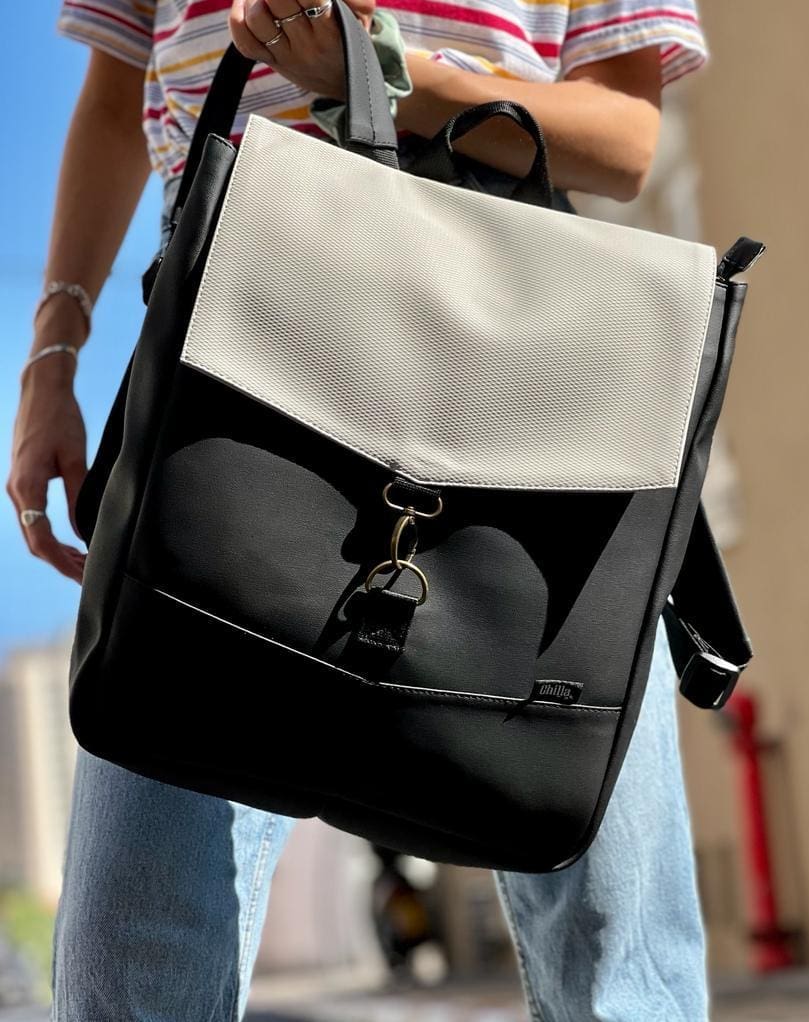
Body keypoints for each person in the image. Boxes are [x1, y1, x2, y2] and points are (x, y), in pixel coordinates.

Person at [7, 0, 711, 1018]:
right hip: (234, 357)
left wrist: (381, 70)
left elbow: (625, 139)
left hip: (521, 363)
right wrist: (52, 354)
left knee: (617, 944)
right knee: (134, 945)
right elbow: (118, 99)